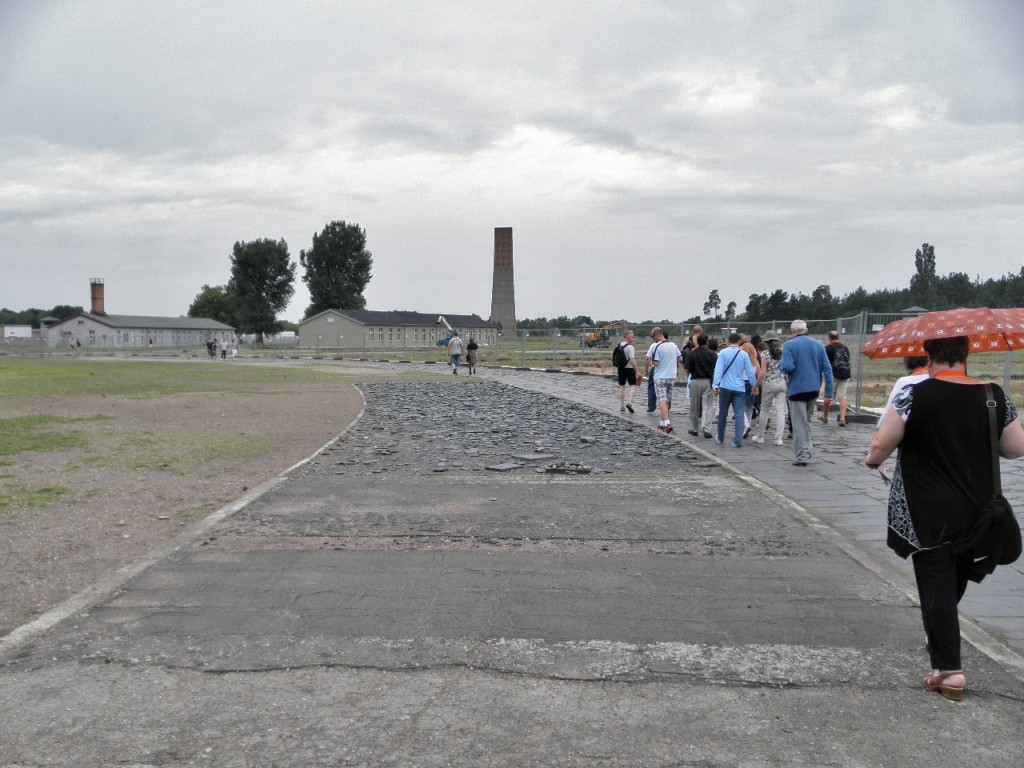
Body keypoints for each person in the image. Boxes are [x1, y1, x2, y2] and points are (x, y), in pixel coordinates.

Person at [865, 336, 1024, 701]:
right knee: (958, 569)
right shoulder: (992, 394)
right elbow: (1016, 447)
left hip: (927, 506)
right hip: (978, 506)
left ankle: (949, 670)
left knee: (935, 574)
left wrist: (873, 459)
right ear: (967, 355)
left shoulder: (914, 393)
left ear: (929, 355)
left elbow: (882, 444)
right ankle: (939, 632)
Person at [780, 320, 834, 466]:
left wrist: (781, 366)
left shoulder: (789, 345)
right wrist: (829, 391)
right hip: (813, 389)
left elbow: (787, 366)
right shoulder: (818, 344)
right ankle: (808, 448)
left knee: (798, 424)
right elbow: (827, 369)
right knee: (808, 421)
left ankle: (802, 455)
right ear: (805, 329)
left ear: (793, 331)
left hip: (797, 389)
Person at [712, 332, 756, 447]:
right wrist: (754, 386)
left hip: (725, 387)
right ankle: (737, 440)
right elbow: (750, 372)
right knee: (739, 413)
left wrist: (715, 385)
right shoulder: (744, 355)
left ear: (728, 341)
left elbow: (718, 370)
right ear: (739, 342)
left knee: (723, 413)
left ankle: (720, 437)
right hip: (739, 388)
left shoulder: (723, 353)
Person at [751, 338, 787, 446]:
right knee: (780, 411)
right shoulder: (783, 352)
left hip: (769, 384)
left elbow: (762, 373)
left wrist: (756, 386)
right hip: (782, 383)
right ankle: (778, 438)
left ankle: (760, 436)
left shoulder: (765, 354)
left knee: (765, 410)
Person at [646, 327, 681, 433]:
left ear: (657, 334)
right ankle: (662, 424)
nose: (653, 339)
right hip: (672, 376)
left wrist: (652, 363)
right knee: (667, 400)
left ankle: (667, 422)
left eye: (652, 337)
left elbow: (655, 363)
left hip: (661, 376)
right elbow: (680, 359)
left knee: (661, 399)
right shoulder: (673, 345)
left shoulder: (657, 346)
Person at [684, 334, 717, 437]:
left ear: (697, 342)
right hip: (708, 381)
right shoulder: (712, 354)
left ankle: (694, 428)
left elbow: (686, 369)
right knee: (708, 405)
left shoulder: (692, 354)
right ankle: (707, 429)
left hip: (695, 380)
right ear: (707, 342)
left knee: (694, 406)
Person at [879, 356, 928, 422]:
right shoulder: (936, 379)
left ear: (907, 362)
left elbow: (889, 409)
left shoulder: (903, 381)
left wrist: (879, 427)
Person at [820, 330, 852, 425]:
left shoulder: (828, 348)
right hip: (845, 374)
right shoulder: (845, 347)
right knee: (842, 396)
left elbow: (824, 362)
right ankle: (842, 419)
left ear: (829, 338)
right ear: (838, 337)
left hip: (833, 374)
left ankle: (825, 417)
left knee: (828, 396)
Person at [614, 331, 639, 413]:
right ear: (628, 338)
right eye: (632, 337)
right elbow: (632, 359)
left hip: (620, 368)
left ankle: (622, 406)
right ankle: (629, 403)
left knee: (622, 386)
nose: (633, 339)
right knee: (633, 385)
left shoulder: (619, 345)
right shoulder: (630, 347)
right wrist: (637, 371)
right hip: (630, 368)